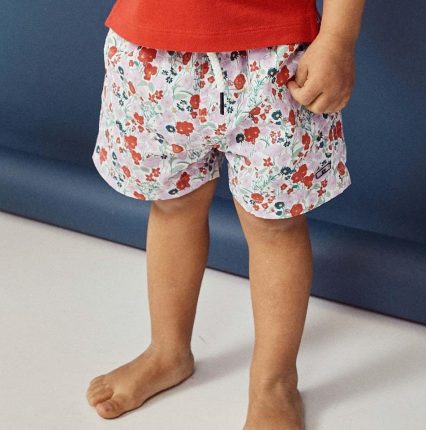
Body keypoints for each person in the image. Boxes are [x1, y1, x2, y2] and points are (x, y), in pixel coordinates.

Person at [87, 0, 365, 427]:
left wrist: (338, 38)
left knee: (275, 225)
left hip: (277, 59)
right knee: (173, 204)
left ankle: (274, 383)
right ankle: (167, 352)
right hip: (152, 54)